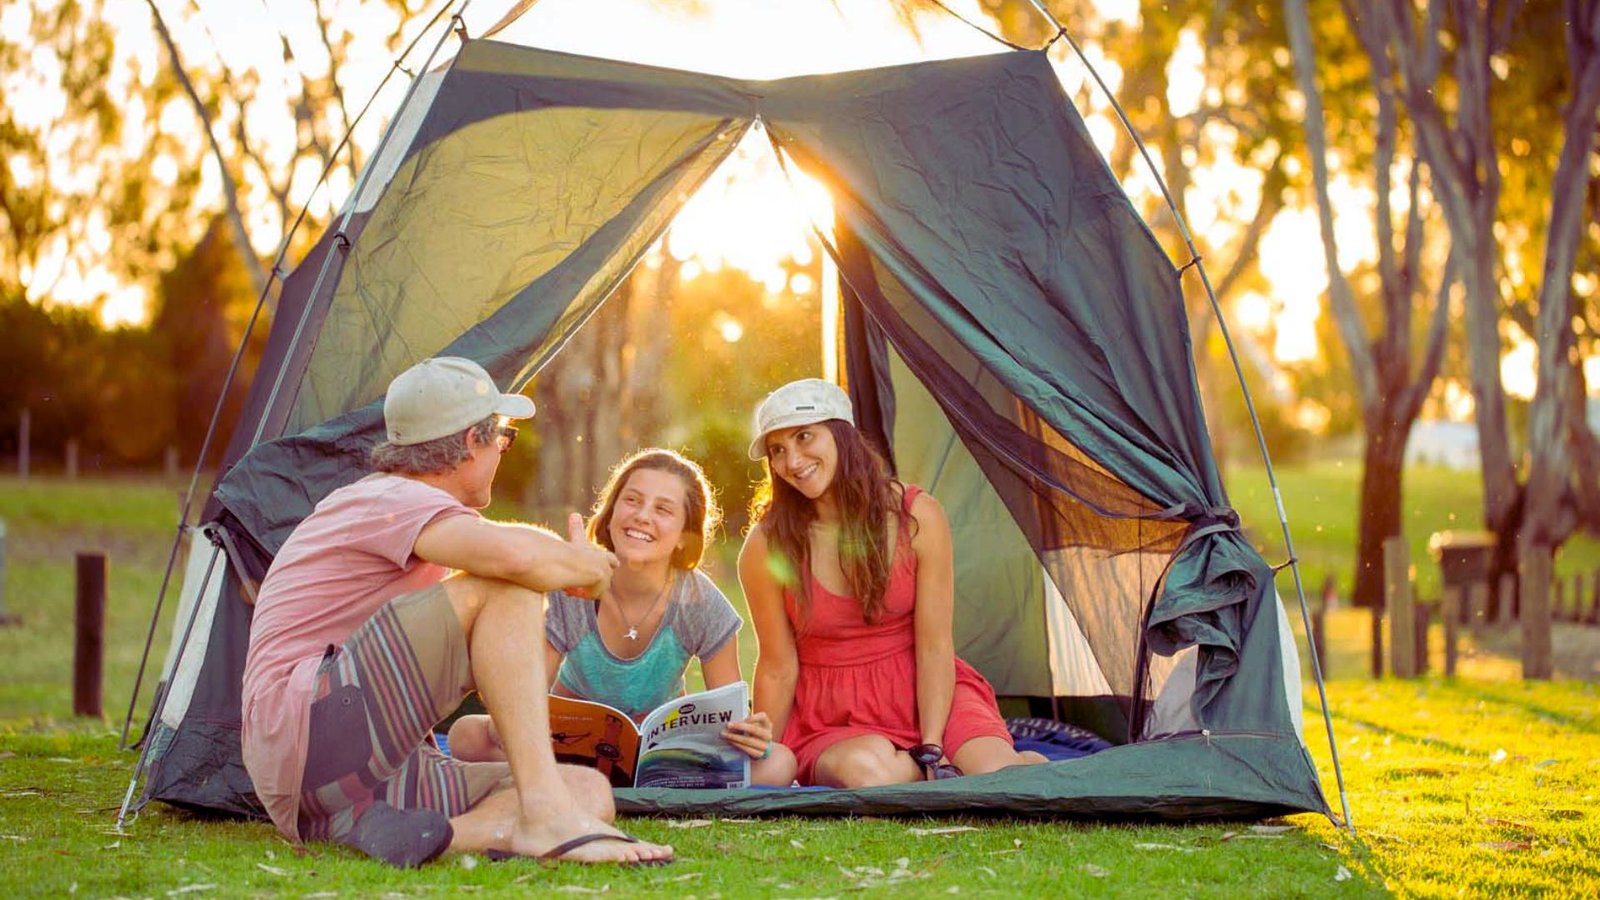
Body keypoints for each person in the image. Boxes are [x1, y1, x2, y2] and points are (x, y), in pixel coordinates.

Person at [240, 356, 673, 867]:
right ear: (472, 441)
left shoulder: (418, 513)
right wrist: (581, 566)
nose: (502, 452)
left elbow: (507, 544)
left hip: (356, 783)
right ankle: (539, 813)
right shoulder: (387, 496)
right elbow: (511, 557)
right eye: (503, 439)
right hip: (308, 734)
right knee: (505, 586)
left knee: (587, 790)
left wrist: (569, 563)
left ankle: (439, 833)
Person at [738, 378, 1048, 788]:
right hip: (831, 714)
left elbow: (935, 645)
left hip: (927, 689)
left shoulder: (918, 516)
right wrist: (768, 758)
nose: (792, 461)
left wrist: (933, 745)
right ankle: (945, 780)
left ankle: (999, 766)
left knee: (997, 776)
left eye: (804, 437)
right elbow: (778, 665)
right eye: (777, 451)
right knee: (869, 775)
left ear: (841, 434)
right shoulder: (766, 545)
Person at [447, 449, 798, 787]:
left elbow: (727, 716)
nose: (642, 516)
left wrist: (749, 735)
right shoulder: (572, 588)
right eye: (632, 500)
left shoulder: (701, 603)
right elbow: (530, 692)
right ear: (611, 512)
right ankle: (592, 778)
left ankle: (599, 780)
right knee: (468, 734)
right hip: (571, 745)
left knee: (779, 762)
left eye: (663, 509)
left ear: (683, 536)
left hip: (655, 752)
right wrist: (510, 724)